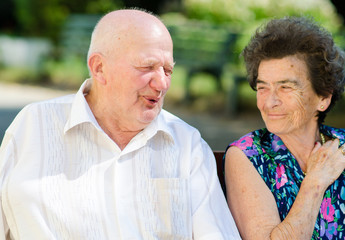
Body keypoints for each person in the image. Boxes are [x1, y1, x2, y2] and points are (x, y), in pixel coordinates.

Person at [0, 9, 241, 239]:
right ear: (99, 68)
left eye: (167, 70)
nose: (162, 84)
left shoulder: (187, 144)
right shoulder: (32, 126)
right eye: (147, 67)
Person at [223, 16, 345, 239]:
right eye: (263, 88)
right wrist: (315, 182)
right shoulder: (248, 155)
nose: (269, 102)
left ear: (323, 98)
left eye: (285, 87)